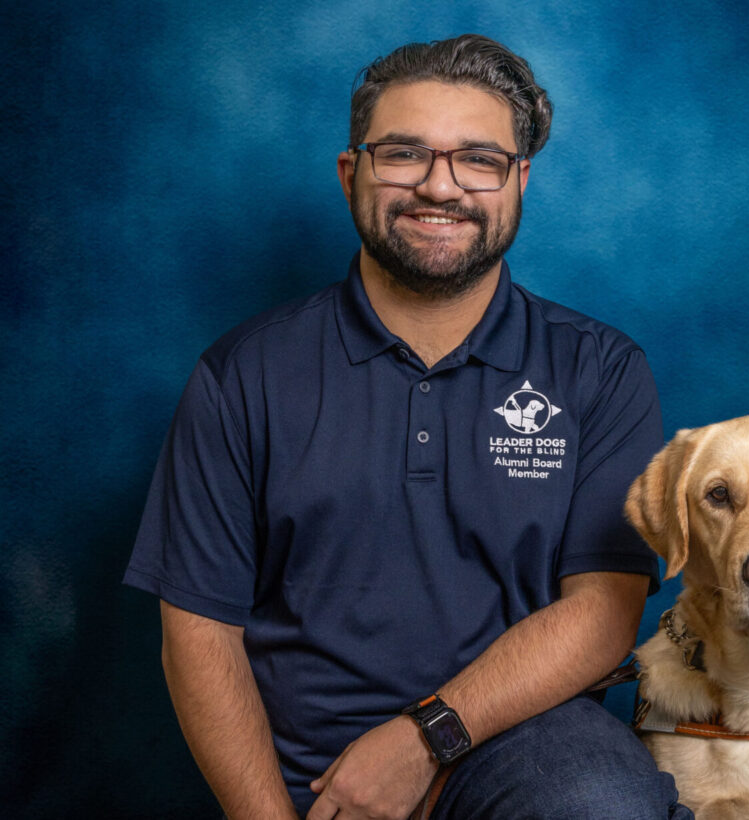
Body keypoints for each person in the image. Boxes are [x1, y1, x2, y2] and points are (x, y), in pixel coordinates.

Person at [124, 34, 692, 819]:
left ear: (519, 181)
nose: (440, 186)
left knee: (603, 806)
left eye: (478, 160)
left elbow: (603, 612)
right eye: (404, 154)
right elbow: (199, 634)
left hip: (526, 748)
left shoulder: (599, 370)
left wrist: (425, 739)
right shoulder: (242, 374)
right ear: (350, 172)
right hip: (306, 768)